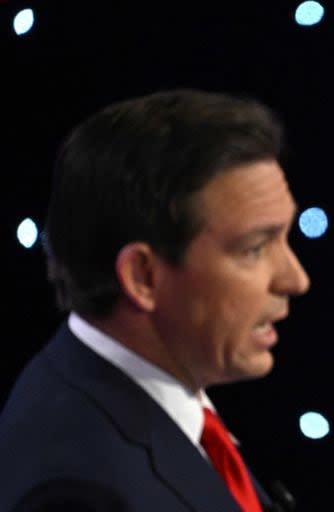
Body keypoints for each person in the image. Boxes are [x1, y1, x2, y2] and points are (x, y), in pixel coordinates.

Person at [0, 89, 310, 511]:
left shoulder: (157, 400)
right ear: (142, 277)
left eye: (285, 238)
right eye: (254, 248)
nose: (296, 279)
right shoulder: (75, 489)